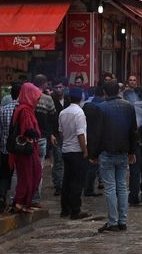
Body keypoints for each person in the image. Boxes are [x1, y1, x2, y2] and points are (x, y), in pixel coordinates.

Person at [89, 80, 138, 233]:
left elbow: (97, 134)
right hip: (123, 151)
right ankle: (122, 220)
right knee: (122, 187)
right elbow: (133, 131)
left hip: (107, 152)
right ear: (118, 91)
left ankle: (113, 221)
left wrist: (93, 154)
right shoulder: (128, 106)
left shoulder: (101, 108)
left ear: (104, 91)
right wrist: (132, 151)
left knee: (110, 187)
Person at [58, 87, 91, 220]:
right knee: (77, 181)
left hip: (66, 149)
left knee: (67, 179)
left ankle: (65, 209)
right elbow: (80, 134)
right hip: (77, 150)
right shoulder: (79, 113)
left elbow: (60, 132)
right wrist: (85, 150)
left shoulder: (63, 112)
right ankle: (75, 210)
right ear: (81, 98)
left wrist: (65, 141)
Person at [9, 83, 42, 213]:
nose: (37, 100)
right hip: (26, 151)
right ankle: (19, 202)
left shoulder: (25, 109)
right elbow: (27, 130)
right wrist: (34, 134)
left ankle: (23, 202)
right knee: (28, 175)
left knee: (31, 174)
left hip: (28, 149)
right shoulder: (25, 111)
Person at [0, 83, 21, 210]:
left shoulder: (2, 110)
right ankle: (15, 199)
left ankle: (1, 197)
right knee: (17, 173)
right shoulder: (23, 110)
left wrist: (0, 144)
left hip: (5, 148)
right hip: (19, 149)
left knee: (4, 174)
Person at [32, 74, 56, 203]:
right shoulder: (47, 99)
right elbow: (53, 117)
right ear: (44, 84)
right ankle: (35, 197)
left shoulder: (26, 97)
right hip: (42, 137)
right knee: (38, 168)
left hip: (27, 138)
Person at [51, 77, 69, 197]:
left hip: (68, 134)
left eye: (60, 87)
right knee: (58, 160)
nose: (58, 89)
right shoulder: (51, 100)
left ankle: (67, 183)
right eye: (56, 87)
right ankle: (58, 185)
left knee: (67, 160)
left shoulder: (68, 99)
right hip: (56, 134)